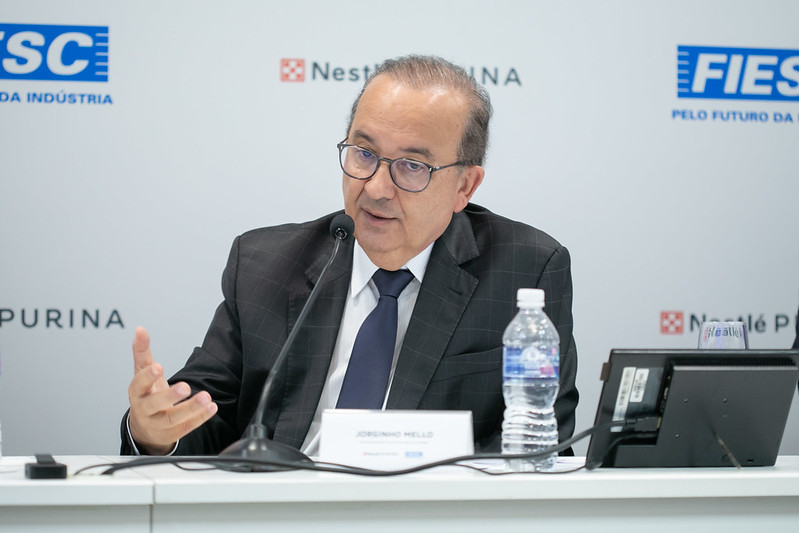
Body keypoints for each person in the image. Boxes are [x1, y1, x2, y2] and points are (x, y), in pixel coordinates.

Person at [122, 55, 579, 456]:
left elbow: (539, 439)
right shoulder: (265, 264)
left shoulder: (525, 270)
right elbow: (202, 416)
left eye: (412, 166)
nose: (376, 188)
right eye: (364, 153)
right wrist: (154, 430)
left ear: (465, 186)